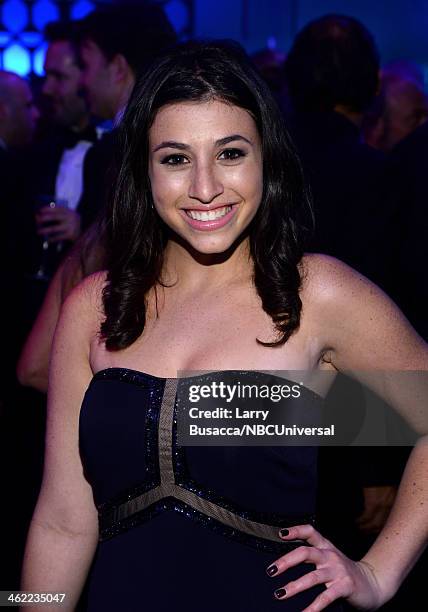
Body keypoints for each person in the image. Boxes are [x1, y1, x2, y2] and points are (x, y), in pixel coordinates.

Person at [21, 41, 428, 612]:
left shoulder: (318, 294)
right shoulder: (95, 307)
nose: (205, 187)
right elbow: (61, 523)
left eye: (231, 153)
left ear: (267, 158)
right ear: (144, 168)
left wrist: (378, 575)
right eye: (175, 158)